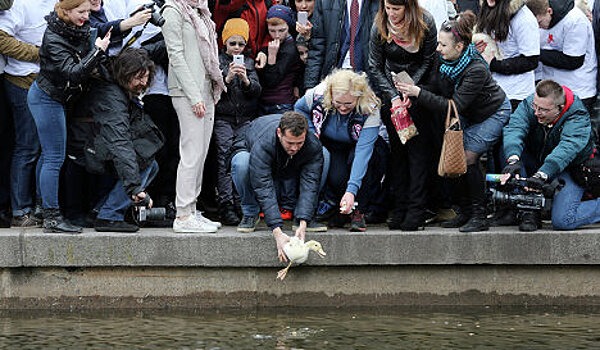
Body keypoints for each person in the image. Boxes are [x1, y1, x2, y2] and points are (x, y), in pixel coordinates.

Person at [397, 11, 511, 232]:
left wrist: (418, 93)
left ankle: (480, 215)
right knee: (453, 157)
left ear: (459, 47)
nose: (438, 49)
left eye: (443, 45)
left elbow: (454, 105)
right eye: (438, 43)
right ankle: (465, 211)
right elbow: (436, 88)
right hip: (467, 113)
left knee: (467, 157)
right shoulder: (443, 60)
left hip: (493, 112)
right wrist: (409, 91)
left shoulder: (475, 69)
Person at [27, 0, 111, 233]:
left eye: (87, 11)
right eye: (80, 12)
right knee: (55, 157)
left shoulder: (77, 28)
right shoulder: (53, 36)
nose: (86, 16)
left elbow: (89, 58)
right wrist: (97, 51)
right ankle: (52, 218)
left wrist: (98, 55)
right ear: (65, 11)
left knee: (48, 155)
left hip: (58, 98)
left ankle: (42, 207)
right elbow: (73, 74)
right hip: (46, 98)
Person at [75, 48, 163, 232]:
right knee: (143, 160)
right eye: (139, 78)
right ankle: (109, 215)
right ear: (125, 73)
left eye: (146, 77)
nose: (144, 83)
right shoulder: (110, 95)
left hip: (94, 141)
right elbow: (119, 142)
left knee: (149, 161)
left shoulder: (116, 84)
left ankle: (99, 210)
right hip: (85, 146)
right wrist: (135, 188)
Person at [367, 0, 438, 230]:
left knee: (417, 154)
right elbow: (374, 66)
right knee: (397, 153)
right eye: (388, 8)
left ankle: (416, 210)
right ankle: (399, 207)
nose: (392, 13)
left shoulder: (425, 22)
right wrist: (394, 96)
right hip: (391, 92)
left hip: (419, 91)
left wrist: (411, 89)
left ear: (408, 7)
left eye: (396, 9)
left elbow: (428, 60)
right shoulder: (380, 25)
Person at [295, 69, 388, 232]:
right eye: (339, 103)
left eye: (348, 104)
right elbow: (299, 108)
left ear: (358, 98)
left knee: (363, 164)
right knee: (337, 177)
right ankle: (338, 207)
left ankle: (358, 210)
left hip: (361, 146)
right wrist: (311, 134)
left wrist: (351, 191)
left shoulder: (370, 107)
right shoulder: (318, 93)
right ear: (331, 96)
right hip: (332, 143)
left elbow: (362, 153)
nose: (343, 108)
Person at [162, 0, 226, 233]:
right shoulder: (172, 11)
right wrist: (193, 96)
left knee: (201, 153)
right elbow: (175, 56)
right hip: (187, 92)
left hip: (206, 89)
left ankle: (191, 209)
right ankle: (182, 215)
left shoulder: (200, 11)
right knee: (191, 153)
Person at [501, 79, 597, 231]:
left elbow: (567, 149)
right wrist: (513, 160)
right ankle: (528, 211)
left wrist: (542, 175)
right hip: (536, 160)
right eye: (536, 106)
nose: (537, 113)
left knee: (563, 220)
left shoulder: (578, 115)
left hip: (569, 167)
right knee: (510, 150)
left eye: (544, 110)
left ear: (560, 108)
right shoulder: (530, 104)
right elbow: (514, 128)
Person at [230, 112, 325, 261]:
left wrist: (303, 221)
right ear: (279, 133)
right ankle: (250, 212)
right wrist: (277, 231)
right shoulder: (264, 143)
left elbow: (310, 182)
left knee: (325, 154)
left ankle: (303, 215)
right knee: (241, 163)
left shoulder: (311, 144)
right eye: (290, 143)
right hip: (254, 151)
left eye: (299, 143)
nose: (294, 148)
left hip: (287, 163)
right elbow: (263, 186)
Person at [0, 0, 56, 227]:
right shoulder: (19, 4)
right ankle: (20, 210)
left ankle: (41, 207)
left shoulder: (56, 3)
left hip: (49, 83)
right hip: (22, 82)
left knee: (47, 150)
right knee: (27, 147)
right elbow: (2, 39)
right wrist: (40, 54)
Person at [215, 18, 262, 225]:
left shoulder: (249, 63)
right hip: (223, 118)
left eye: (240, 44)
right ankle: (225, 203)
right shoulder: (217, 61)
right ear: (224, 42)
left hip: (244, 119)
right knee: (224, 158)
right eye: (232, 43)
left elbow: (256, 92)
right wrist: (226, 78)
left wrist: (245, 80)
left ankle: (240, 201)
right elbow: (212, 92)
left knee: (242, 158)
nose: (236, 48)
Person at [526, 0, 597, 129]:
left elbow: (573, 61)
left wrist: (535, 54)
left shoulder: (575, 20)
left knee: (574, 133)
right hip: (552, 90)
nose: (539, 27)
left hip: (578, 90)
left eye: (540, 22)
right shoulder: (540, 20)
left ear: (549, 11)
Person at [304, 0, 379, 89]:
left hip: (370, 79)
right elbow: (317, 48)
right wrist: (310, 87)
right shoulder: (325, 2)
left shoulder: (380, 3)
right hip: (334, 76)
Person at [258, 5, 303, 115]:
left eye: (281, 30)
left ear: (289, 26)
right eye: (272, 31)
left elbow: (272, 80)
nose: (277, 35)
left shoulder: (290, 48)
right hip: (268, 101)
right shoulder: (276, 43)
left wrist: (272, 56)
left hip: (281, 102)